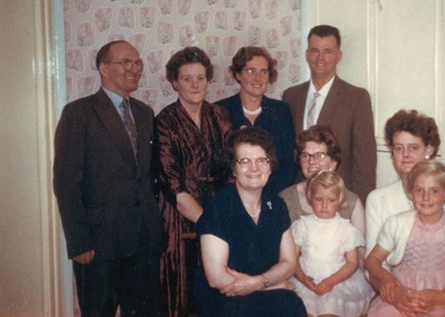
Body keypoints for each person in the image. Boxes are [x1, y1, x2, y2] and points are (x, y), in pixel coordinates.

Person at [53, 40, 163, 316]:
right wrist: (79, 241)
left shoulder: (145, 113)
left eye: (137, 63)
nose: (134, 69)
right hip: (99, 244)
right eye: (126, 62)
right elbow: (66, 182)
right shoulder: (79, 113)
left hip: (143, 241)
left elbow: (147, 177)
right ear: (103, 68)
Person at [193, 127, 307, 317]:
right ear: (233, 168)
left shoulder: (277, 205)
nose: (254, 168)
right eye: (244, 161)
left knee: (292, 304)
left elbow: (288, 262)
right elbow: (216, 278)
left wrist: (258, 282)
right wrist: (271, 285)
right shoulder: (219, 206)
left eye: (261, 160)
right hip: (226, 296)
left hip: (262, 290)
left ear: (270, 166)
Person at [153, 46, 232, 316]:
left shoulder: (220, 116)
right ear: (174, 82)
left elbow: (232, 171)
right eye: (187, 78)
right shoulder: (164, 122)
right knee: (182, 297)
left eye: (200, 77)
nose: (195, 84)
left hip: (219, 215)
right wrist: (211, 226)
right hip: (178, 221)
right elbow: (173, 186)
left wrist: (224, 221)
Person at [366, 160, 445, 316]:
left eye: (434, 191)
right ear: (410, 193)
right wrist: (385, 278)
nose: (426, 197)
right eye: (419, 190)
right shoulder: (396, 223)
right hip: (404, 296)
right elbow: (372, 260)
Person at [282, 24, 376, 203]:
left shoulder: (357, 98)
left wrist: (359, 205)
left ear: (338, 56)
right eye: (315, 50)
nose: (320, 58)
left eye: (327, 51)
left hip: (337, 198)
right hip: (299, 199)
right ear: (307, 54)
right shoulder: (291, 96)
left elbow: (365, 163)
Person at [365, 109, 445, 257]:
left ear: (429, 149)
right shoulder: (378, 200)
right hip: (393, 278)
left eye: (413, 148)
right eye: (398, 148)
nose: (405, 154)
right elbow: (373, 265)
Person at [291, 170, 373, 317]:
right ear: (310, 198)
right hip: (306, 280)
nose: (324, 205)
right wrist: (302, 278)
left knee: (329, 312)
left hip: (336, 281)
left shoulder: (345, 228)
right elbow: (292, 258)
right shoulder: (302, 225)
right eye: (319, 199)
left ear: (340, 200)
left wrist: (330, 281)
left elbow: (352, 263)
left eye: (330, 200)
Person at [216, 46, 297, 194]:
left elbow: (289, 164)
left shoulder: (281, 111)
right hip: (231, 198)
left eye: (263, 72)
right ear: (238, 74)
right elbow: (217, 165)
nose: (258, 78)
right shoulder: (220, 110)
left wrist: (268, 197)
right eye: (251, 71)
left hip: (274, 196)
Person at [279, 125, 365, 238]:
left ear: (333, 163)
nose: (311, 161)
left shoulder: (351, 202)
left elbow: (360, 252)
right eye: (305, 155)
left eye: (320, 155)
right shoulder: (286, 198)